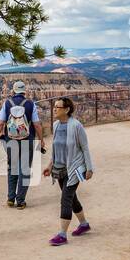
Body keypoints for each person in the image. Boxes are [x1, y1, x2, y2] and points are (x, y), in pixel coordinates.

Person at [43, 97, 93, 245]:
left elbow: (85, 148)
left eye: (58, 107)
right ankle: (84, 224)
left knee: (65, 199)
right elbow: (56, 147)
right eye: (55, 107)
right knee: (72, 198)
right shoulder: (56, 125)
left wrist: (89, 168)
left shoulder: (76, 126)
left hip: (75, 169)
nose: (55, 109)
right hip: (59, 169)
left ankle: (62, 235)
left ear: (67, 109)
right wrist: (50, 165)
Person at [0, 80, 46, 209]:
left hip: (10, 139)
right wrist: (41, 140)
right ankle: (21, 200)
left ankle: (10, 199)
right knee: (24, 170)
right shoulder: (30, 104)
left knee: (12, 167)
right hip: (27, 140)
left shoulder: (7, 103)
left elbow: (0, 123)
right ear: (24, 92)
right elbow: (36, 124)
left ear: (13, 91)